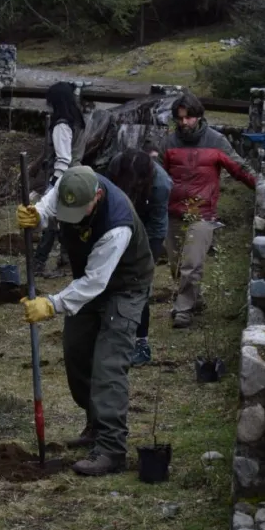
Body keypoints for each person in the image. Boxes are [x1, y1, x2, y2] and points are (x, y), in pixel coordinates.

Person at [16, 166, 154, 476]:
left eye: (79, 211)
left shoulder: (117, 226)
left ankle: (111, 448)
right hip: (89, 282)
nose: (71, 217)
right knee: (76, 353)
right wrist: (37, 214)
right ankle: (95, 423)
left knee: (108, 365)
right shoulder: (72, 183)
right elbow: (51, 203)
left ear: (98, 196)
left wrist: (51, 304)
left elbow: (95, 282)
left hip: (125, 287)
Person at [154, 92, 257, 329]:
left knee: (192, 262)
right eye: (180, 119)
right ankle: (194, 300)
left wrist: (262, 187)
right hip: (173, 211)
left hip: (203, 213)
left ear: (199, 117)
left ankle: (183, 310)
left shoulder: (216, 141)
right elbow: (156, 174)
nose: (184, 123)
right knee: (177, 265)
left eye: (189, 118)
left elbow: (239, 168)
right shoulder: (168, 143)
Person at [100, 149, 172, 367]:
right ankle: (107, 330)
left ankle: (141, 343)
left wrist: (145, 256)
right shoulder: (116, 162)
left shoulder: (161, 185)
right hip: (116, 220)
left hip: (148, 228)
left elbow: (158, 227)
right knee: (106, 276)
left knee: (139, 285)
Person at [34, 81, 87, 277]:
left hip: (66, 176)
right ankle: (66, 260)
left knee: (52, 219)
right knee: (67, 220)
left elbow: (63, 159)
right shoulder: (78, 120)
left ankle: (39, 263)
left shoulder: (62, 125)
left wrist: (53, 184)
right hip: (77, 173)